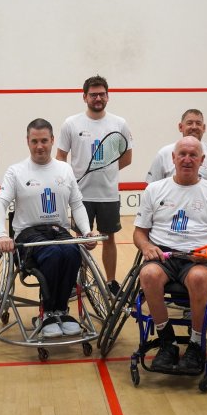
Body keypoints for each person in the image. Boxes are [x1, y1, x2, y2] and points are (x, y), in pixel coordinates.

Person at [0, 119, 99, 337]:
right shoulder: (16, 171)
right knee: (52, 254)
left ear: (52, 141)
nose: (39, 146)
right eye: (34, 141)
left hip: (59, 231)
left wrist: (87, 231)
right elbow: (0, 203)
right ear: (27, 142)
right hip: (28, 234)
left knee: (71, 253)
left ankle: (61, 310)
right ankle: (47, 312)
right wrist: (2, 235)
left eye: (44, 141)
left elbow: (77, 204)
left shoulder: (65, 169)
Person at [133, 136, 207, 373]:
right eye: (182, 154)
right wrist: (146, 247)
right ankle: (167, 342)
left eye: (193, 155)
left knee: (199, 278)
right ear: (173, 158)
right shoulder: (155, 190)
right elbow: (139, 233)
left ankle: (196, 344)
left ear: (202, 160)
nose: (187, 160)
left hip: (199, 258)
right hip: (164, 257)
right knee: (148, 275)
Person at [56, 75, 133, 295]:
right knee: (80, 241)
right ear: (84, 97)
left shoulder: (119, 124)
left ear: (108, 96)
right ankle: (78, 282)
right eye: (93, 94)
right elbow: (61, 156)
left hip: (108, 195)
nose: (98, 98)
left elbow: (127, 157)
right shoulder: (72, 123)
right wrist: (68, 179)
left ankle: (110, 282)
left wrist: (105, 171)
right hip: (80, 196)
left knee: (109, 239)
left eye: (101, 94)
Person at [146, 108, 207, 199]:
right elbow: (152, 189)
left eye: (198, 123)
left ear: (204, 128)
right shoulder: (163, 154)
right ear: (180, 127)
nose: (194, 127)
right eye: (189, 123)